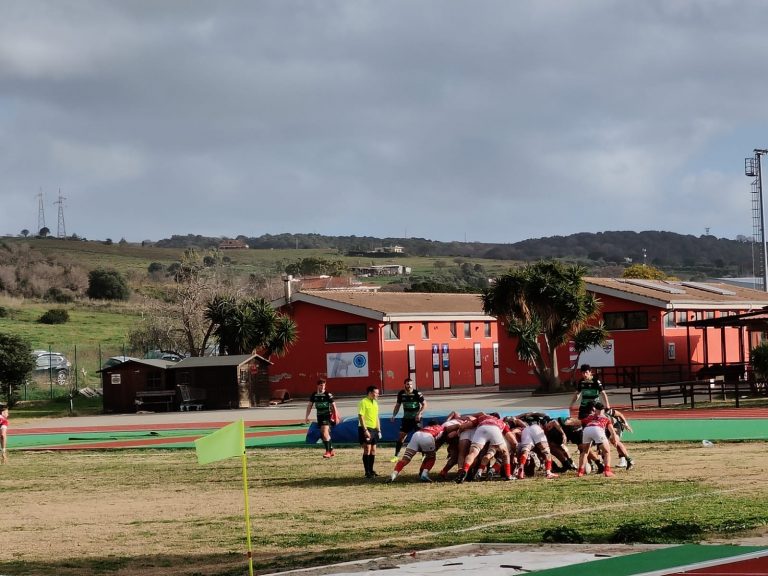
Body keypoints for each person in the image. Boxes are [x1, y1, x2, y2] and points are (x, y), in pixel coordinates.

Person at [390, 378, 427, 462]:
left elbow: (425, 404)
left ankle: (424, 455)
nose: (409, 386)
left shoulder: (417, 393)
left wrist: (419, 413)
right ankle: (396, 456)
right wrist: (393, 415)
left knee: (420, 437)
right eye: (408, 384)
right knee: (401, 437)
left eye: (411, 384)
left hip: (416, 419)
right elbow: (398, 405)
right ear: (405, 385)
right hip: (406, 419)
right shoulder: (401, 394)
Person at [577, 401, 616, 477]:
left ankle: (580, 472)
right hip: (597, 429)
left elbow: (579, 422)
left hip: (587, 430)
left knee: (585, 452)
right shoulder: (606, 418)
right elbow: (612, 431)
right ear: (602, 410)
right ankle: (607, 471)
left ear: (595, 409)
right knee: (607, 452)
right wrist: (614, 440)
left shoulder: (589, 417)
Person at [305, 378, 339, 458]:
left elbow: (334, 406)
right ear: (318, 386)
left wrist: (336, 417)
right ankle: (331, 449)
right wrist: (307, 416)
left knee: (324, 432)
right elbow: (309, 405)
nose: (323, 387)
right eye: (321, 385)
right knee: (323, 434)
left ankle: (328, 452)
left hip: (327, 416)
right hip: (319, 416)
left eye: (324, 385)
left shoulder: (328, 394)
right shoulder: (314, 395)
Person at [357, 385, 381, 479]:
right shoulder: (363, 402)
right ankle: (367, 472)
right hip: (366, 428)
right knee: (367, 449)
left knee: (373, 450)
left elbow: (376, 417)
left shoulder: (375, 403)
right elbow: (361, 416)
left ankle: (371, 470)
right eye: (376, 393)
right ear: (370, 393)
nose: (378, 395)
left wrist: (379, 430)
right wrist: (365, 430)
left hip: (374, 429)